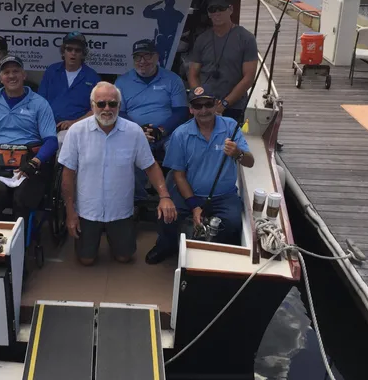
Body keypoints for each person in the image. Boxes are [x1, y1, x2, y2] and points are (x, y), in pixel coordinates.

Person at [59, 83, 177, 266]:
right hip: (87, 210)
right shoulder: (76, 132)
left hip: (120, 209)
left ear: (119, 106)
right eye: (101, 104)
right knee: (86, 260)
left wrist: (164, 195)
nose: (107, 109)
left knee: (125, 258)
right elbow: (67, 174)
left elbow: (151, 166)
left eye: (112, 104)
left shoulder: (134, 131)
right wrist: (70, 212)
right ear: (92, 106)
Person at [146, 86, 254, 264]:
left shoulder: (231, 127)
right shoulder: (180, 134)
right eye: (198, 106)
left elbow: (250, 162)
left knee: (233, 223)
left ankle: (214, 251)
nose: (203, 110)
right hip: (189, 193)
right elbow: (178, 175)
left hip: (224, 195)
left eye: (208, 104)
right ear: (191, 109)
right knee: (166, 216)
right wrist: (194, 206)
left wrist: (237, 152)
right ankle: (166, 244)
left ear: (216, 105)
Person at [0, 55, 58, 221]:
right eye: (6, 72)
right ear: (0, 77)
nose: (11, 76)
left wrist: (35, 162)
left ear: (24, 75)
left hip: (29, 164)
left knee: (22, 198)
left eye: (16, 71)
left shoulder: (40, 103)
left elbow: (51, 141)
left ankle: (19, 243)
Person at [115, 39, 188, 201]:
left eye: (147, 56)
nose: (142, 61)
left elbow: (181, 111)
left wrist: (162, 129)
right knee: (127, 155)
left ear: (156, 57)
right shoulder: (122, 82)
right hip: (135, 132)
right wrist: (138, 130)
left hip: (168, 134)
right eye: (137, 57)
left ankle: (171, 198)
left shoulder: (172, 79)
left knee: (180, 154)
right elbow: (119, 113)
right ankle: (138, 200)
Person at [188, 0, 258, 124]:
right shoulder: (202, 39)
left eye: (221, 8)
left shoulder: (246, 38)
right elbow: (193, 74)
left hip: (234, 107)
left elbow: (248, 78)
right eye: (212, 10)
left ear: (230, 9)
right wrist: (202, 100)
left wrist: (224, 104)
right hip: (205, 108)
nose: (217, 13)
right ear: (208, 13)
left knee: (229, 144)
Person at [38, 31, 101, 142]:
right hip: (49, 126)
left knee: (62, 142)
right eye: (69, 49)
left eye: (77, 50)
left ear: (83, 54)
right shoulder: (51, 71)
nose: (73, 53)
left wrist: (74, 123)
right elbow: (40, 102)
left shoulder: (92, 76)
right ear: (63, 52)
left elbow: (96, 109)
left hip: (79, 128)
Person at [142, 0, 186, 68]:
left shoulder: (177, 14)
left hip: (172, 39)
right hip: (162, 38)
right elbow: (145, 13)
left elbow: (185, 23)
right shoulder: (161, 12)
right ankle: (162, 65)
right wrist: (155, 4)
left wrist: (156, 4)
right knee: (160, 41)